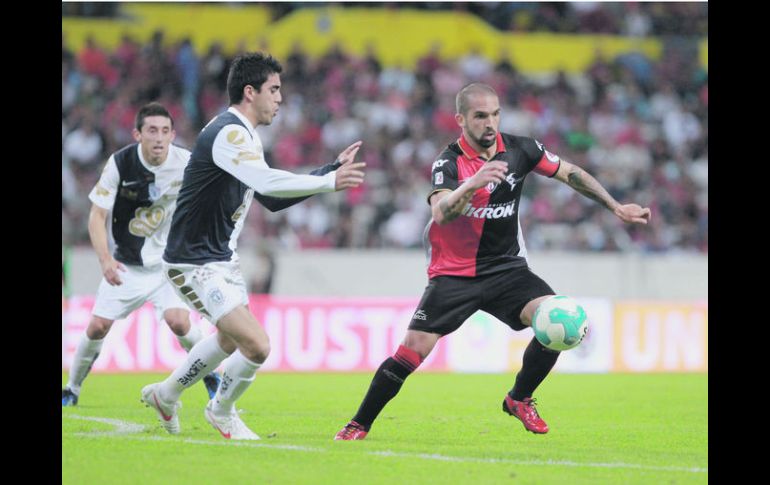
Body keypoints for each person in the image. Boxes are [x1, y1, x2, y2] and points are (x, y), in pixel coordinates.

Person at [334, 83, 651, 440]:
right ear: (461, 120)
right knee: (412, 352)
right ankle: (358, 424)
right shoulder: (448, 162)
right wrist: (472, 184)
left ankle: (519, 398)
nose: (491, 123)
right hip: (455, 274)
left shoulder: (521, 149)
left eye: (495, 114)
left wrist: (616, 206)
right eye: (481, 116)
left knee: (560, 318)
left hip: (506, 268)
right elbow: (440, 213)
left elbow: (570, 172)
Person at [140, 52, 366, 440]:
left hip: (220, 259)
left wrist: (327, 171)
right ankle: (222, 411)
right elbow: (269, 185)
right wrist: (329, 182)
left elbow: (272, 199)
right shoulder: (228, 133)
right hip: (194, 262)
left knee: (229, 339)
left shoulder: (243, 135)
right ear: (250, 92)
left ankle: (166, 393)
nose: (280, 98)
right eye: (274, 89)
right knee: (257, 345)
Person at [62, 103, 220, 406]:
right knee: (97, 326)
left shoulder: (186, 162)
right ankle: (72, 388)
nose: (159, 138)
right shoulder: (121, 163)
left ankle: (212, 375)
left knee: (180, 321)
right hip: (128, 265)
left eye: (164, 131)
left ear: (173, 135)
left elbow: (209, 199)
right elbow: (97, 216)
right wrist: (105, 260)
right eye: (151, 131)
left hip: (168, 265)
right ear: (137, 134)